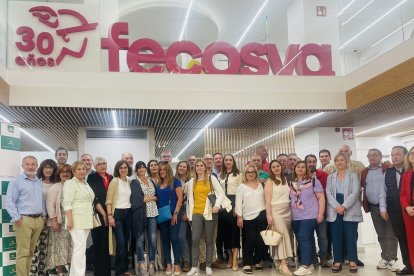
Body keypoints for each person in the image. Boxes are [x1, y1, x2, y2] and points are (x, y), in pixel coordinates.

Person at [5, 156, 46, 276]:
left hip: (38, 220)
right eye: (27, 164)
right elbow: (9, 201)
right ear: (22, 166)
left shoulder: (38, 182)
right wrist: (17, 218)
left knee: (30, 252)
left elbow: (41, 201)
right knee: (23, 253)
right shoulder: (16, 182)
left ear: (36, 166)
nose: (30, 166)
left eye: (33, 164)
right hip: (24, 220)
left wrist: (43, 216)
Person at [186, 160, 225, 276]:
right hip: (196, 213)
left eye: (201, 165)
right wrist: (190, 215)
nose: (199, 167)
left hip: (210, 213)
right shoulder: (192, 182)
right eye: (197, 166)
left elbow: (221, 193)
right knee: (195, 240)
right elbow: (189, 200)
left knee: (209, 240)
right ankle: (194, 267)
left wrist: (217, 205)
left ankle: (208, 266)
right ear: (195, 168)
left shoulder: (212, 179)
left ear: (205, 167)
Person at [361, 149, 398, 271]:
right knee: (381, 234)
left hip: (388, 207)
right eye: (369, 155)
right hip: (373, 207)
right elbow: (363, 187)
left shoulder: (387, 168)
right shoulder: (365, 172)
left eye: (374, 155)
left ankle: (392, 259)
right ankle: (385, 257)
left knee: (390, 233)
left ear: (380, 157)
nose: (371, 157)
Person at [326, 153, 362, 274]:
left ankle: (352, 260)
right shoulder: (330, 177)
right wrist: (337, 206)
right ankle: (337, 261)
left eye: (342, 160)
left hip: (349, 207)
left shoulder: (353, 175)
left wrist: (344, 206)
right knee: (336, 236)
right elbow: (328, 193)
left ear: (347, 162)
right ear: (334, 163)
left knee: (351, 236)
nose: (339, 162)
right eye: (337, 160)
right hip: (334, 208)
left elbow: (355, 192)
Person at [380, 146, 414, 275]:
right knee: (402, 238)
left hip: (410, 210)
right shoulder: (387, 172)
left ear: (406, 155)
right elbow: (383, 192)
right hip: (395, 210)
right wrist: (383, 208)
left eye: (398, 154)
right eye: (392, 155)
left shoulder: (410, 170)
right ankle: (408, 265)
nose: (394, 157)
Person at [289, 161, 325, 276]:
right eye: (298, 167)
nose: (300, 169)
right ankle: (309, 264)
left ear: (306, 169)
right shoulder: (291, 183)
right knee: (305, 239)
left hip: (310, 215)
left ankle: (304, 265)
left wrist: (320, 213)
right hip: (295, 216)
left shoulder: (313, 181)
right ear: (294, 169)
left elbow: (321, 198)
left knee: (303, 237)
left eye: (303, 167)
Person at [63, 161, 95, 276]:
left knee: (80, 250)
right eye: (79, 169)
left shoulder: (85, 183)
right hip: (76, 221)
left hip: (86, 220)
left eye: (84, 169)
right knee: (80, 250)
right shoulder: (70, 183)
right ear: (74, 171)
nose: (82, 171)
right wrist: (70, 220)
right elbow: (66, 203)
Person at [235, 164, 267, 274]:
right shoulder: (241, 187)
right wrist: (239, 216)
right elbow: (238, 203)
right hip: (247, 217)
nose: (251, 174)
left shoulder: (262, 185)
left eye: (253, 172)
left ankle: (257, 261)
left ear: (256, 173)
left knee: (261, 241)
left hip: (262, 215)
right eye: (248, 172)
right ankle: (247, 263)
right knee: (249, 241)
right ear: (245, 174)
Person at [264, 160, 293, 276]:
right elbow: (267, 200)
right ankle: (283, 264)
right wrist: (269, 215)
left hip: (287, 211)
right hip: (276, 211)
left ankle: (277, 261)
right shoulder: (269, 181)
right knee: (282, 235)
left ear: (281, 167)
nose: (276, 168)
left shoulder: (286, 180)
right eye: (273, 167)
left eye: (278, 166)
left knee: (280, 237)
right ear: (270, 169)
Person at [106, 160, 133, 276]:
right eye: (121, 168)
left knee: (126, 243)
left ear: (128, 169)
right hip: (117, 214)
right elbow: (108, 200)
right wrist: (110, 216)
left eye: (125, 167)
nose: (123, 170)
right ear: (118, 169)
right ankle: (119, 272)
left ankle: (125, 269)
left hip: (128, 214)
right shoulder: (114, 181)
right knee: (121, 243)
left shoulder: (130, 181)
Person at [46, 164, 73, 276]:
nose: (65, 173)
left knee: (71, 249)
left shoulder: (73, 186)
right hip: (59, 224)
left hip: (72, 224)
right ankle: (60, 273)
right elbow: (49, 205)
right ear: (59, 174)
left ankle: (73, 272)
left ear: (71, 174)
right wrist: (54, 221)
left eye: (68, 171)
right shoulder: (55, 187)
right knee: (58, 249)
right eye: (62, 172)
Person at [157, 162, 183, 275]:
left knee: (174, 238)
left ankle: (177, 264)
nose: (162, 171)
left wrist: (176, 213)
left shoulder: (175, 181)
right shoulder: (158, 183)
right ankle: (168, 264)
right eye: (160, 170)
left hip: (173, 213)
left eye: (164, 169)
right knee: (165, 240)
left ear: (168, 170)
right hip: (162, 215)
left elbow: (180, 198)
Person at [87, 157, 112, 276]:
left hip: (110, 214)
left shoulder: (110, 177)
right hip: (99, 215)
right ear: (95, 167)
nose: (102, 165)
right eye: (99, 164)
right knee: (98, 243)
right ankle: (98, 272)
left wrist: (110, 214)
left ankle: (107, 271)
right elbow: (94, 198)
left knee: (108, 245)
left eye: (104, 163)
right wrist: (104, 214)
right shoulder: (92, 177)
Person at [132, 161, 157, 276]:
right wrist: (152, 198)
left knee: (152, 238)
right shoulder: (135, 182)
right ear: (136, 170)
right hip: (140, 214)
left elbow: (156, 197)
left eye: (143, 167)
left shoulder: (151, 181)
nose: (142, 169)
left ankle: (151, 263)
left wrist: (149, 197)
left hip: (152, 213)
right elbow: (140, 199)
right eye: (139, 168)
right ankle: (141, 264)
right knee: (140, 239)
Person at [34, 159, 58, 275]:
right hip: (38, 218)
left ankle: (44, 272)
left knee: (48, 247)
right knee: (36, 246)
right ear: (42, 169)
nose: (48, 170)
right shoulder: (36, 182)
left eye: (51, 168)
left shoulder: (56, 184)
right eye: (46, 167)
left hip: (52, 220)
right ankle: (34, 271)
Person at [305, 154, 329, 267]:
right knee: (309, 237)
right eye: (309, 162)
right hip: (307, 213)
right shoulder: (301, 177)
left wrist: (321, 212)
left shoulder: (323, 175)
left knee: (323, 237)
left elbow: (327, 193)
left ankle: (323, 257)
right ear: (305, 163)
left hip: (321, 211)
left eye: (314, 161)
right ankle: (313, 259)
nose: (312, 164)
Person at [219, 154, 242, 271]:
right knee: (225, 232)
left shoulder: (238, 174)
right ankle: (229, 256)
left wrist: (237, 207)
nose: (228, 162)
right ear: (223, 162)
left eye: (230, 160)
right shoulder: (220, 175)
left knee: (235, 232)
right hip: (223, 205)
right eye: (226, 160)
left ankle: (235, 259)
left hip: (234, 203)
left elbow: (241, 192)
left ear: (233, 162)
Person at [175, 161, 192, 272]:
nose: (182, 168)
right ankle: (181, 259)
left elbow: (191, 198)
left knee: (182, 237)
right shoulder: (173, 180)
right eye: (180, 166)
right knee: (180, 237)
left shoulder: (191, 181)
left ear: (187, 169)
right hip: (176, 211)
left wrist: (188, 212)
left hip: (186, 210)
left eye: (184, 167)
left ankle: (187, 261)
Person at [400, 146, 414, 273]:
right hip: (409, 213)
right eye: (412, 153)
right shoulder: (407, 174)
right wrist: (406, 207)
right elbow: (402, 193)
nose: (413, 156)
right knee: (411, 241)